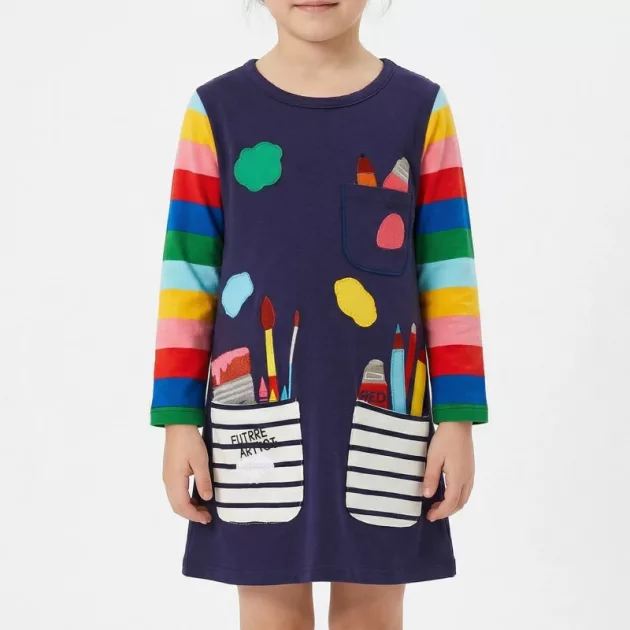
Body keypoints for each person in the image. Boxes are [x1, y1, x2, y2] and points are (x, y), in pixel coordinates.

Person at [150, 0, 488, 627]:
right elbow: (188, 278)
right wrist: (178, 421)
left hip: (388, 417)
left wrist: (459, 418)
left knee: (372, 611)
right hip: (254, 417)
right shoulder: (216, 112)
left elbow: (448, 276)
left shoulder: (420, 109)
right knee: (269, 610)